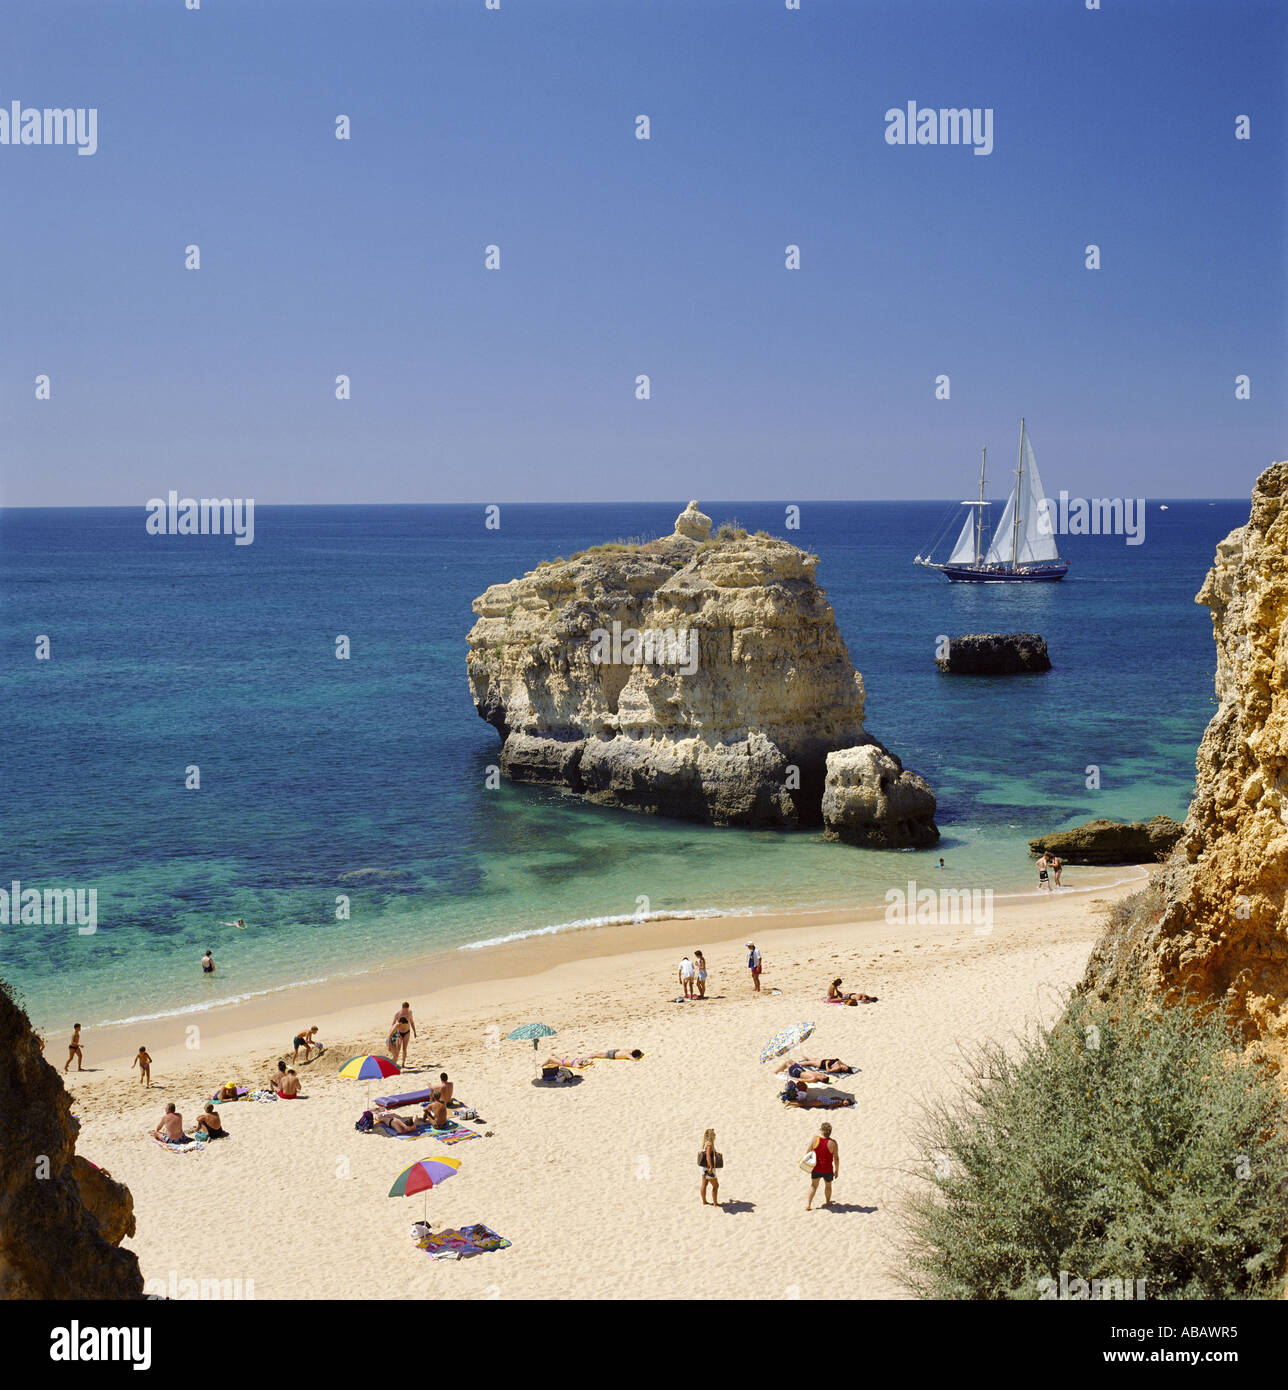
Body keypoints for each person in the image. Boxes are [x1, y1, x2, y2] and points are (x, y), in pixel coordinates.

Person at [805, 1121, 838, 1210]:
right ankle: (827, 1202)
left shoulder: (815, 1139)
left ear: (822, 1130)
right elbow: (836, 1158)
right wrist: (837, 1170)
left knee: (813, 1186)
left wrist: (809, 1165)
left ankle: (808, 1204)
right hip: (828, 1169)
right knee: (828, 1186)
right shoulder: (833, 1143)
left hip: (816, 1167)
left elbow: (808, 1152)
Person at [780, 1081, 854, 1110]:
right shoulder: (839, 1103)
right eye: (846, 1102)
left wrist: (829, 1101)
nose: (845, 1103)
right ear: (845, 1100)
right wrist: (830, 1107)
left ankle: (791, 1101)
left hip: (822, 1099)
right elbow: (831, 1106)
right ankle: (789, 1103)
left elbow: (832, 1098)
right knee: (804, 1104)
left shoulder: (839, 1099)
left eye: (846, 1104)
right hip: (821, 1102)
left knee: (806, 1102)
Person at [699, 1127, 720, 1206]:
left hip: (703, 1167)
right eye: (714, 1134)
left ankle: (704, 1201)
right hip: (708, 1167)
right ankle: (715, 1203)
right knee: (716, 1185)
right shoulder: (709, 1144)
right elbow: (708, 1156)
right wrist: (711, 1167)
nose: (715, 1135)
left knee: (704, 1184)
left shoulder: (705, 1142)